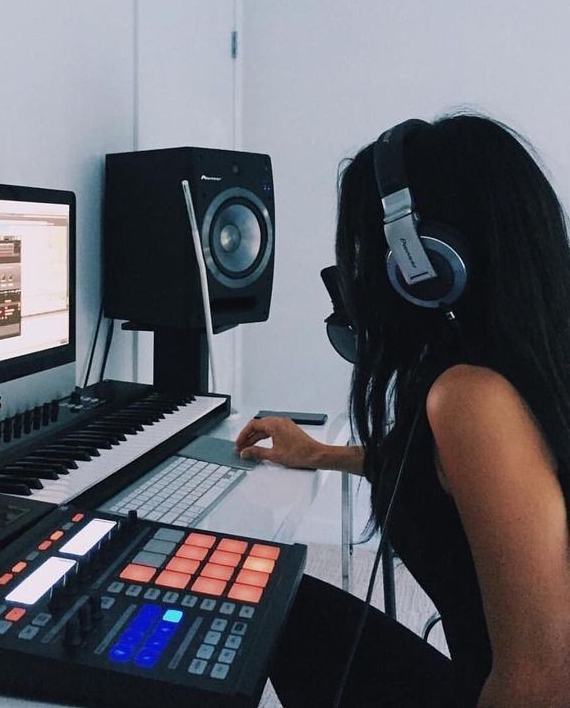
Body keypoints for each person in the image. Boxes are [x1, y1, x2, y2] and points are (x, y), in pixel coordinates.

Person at [235, 114, 570, 707]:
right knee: (288, 604)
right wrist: (318, 454)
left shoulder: (472, 395)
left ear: (423, 262)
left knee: (272, 605)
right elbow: (448, 476)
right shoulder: (528, 360)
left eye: (368, 247)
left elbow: (540, 681)